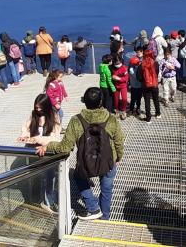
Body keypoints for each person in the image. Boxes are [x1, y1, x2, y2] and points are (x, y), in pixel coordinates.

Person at [37, 87, 125, 221]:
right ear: (101, 101)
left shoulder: (76, 121)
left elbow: (65, 148)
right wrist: (119, 156)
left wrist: (48, 145)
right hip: (109, 160)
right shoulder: (111, 119)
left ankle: (93, 207)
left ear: (85, 102)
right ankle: (105, 217)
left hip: (86, 160)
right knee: (106, 189)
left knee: (78, 177)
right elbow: (119, 141)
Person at [17, 94, 62, 212]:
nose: (38, 110)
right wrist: (24, 136)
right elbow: (26, 129)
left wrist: (39, 140)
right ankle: (35, 199)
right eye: (36, 108)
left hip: (47, 150)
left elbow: (55, 137)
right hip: (33, 150)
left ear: (46, 107)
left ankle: (48, 201)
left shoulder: (54, 116)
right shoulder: (33, 115)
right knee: (35, 175)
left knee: (49, 176)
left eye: (40, 108)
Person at [141, 47, 161, 122]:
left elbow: (139, 76)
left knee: (147, 101)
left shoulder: (142, 64)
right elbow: (157, 73)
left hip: (146, 85)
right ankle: (158, 113)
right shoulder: (156, 63)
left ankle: (148, 118)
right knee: (156, 99)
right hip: (154, 84)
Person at [111, 55, 129, 120]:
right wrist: (112, 77)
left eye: (119, 63)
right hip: (116, 86)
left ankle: (124, 111)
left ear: (121, 61)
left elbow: (126, 78)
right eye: (116, 63)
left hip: (123, 85)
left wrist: (119, 78)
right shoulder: (112, 68)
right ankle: (117, 110)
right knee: (116, 99)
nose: (118, 64)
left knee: (124, 99)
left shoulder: (124, 68)